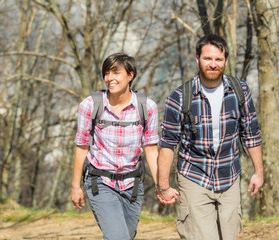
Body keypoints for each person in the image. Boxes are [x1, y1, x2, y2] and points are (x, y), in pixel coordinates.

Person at [156, 34, 264, 240]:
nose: (213, 64)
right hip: (194, 177)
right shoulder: (180, 97)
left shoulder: (240, 91)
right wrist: (164, 186)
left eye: (218, 59)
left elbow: (251, 134)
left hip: (229, 177)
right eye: (207, 59)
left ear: (226, 60)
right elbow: (168, 145)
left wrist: (259, 172)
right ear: (197, 58)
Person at [71, 52, 159, 240]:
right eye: (106, 73)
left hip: (132, 184)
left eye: (116, 73)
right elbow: (81, 146)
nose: (109, 78)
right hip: (100, 181)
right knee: (118, 237)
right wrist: (75, 186)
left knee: (127, 234)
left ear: (130, 75)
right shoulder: (90, 105)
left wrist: (162, 184)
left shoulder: (147, 107)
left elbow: (151, 149)